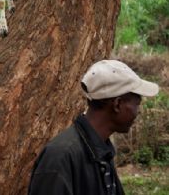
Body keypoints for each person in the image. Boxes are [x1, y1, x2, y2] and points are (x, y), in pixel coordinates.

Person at [28, 60, 159, 195]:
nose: (138, 111)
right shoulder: (60, 157)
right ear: (117, 104)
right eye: (137, 104)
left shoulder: (100, 151)